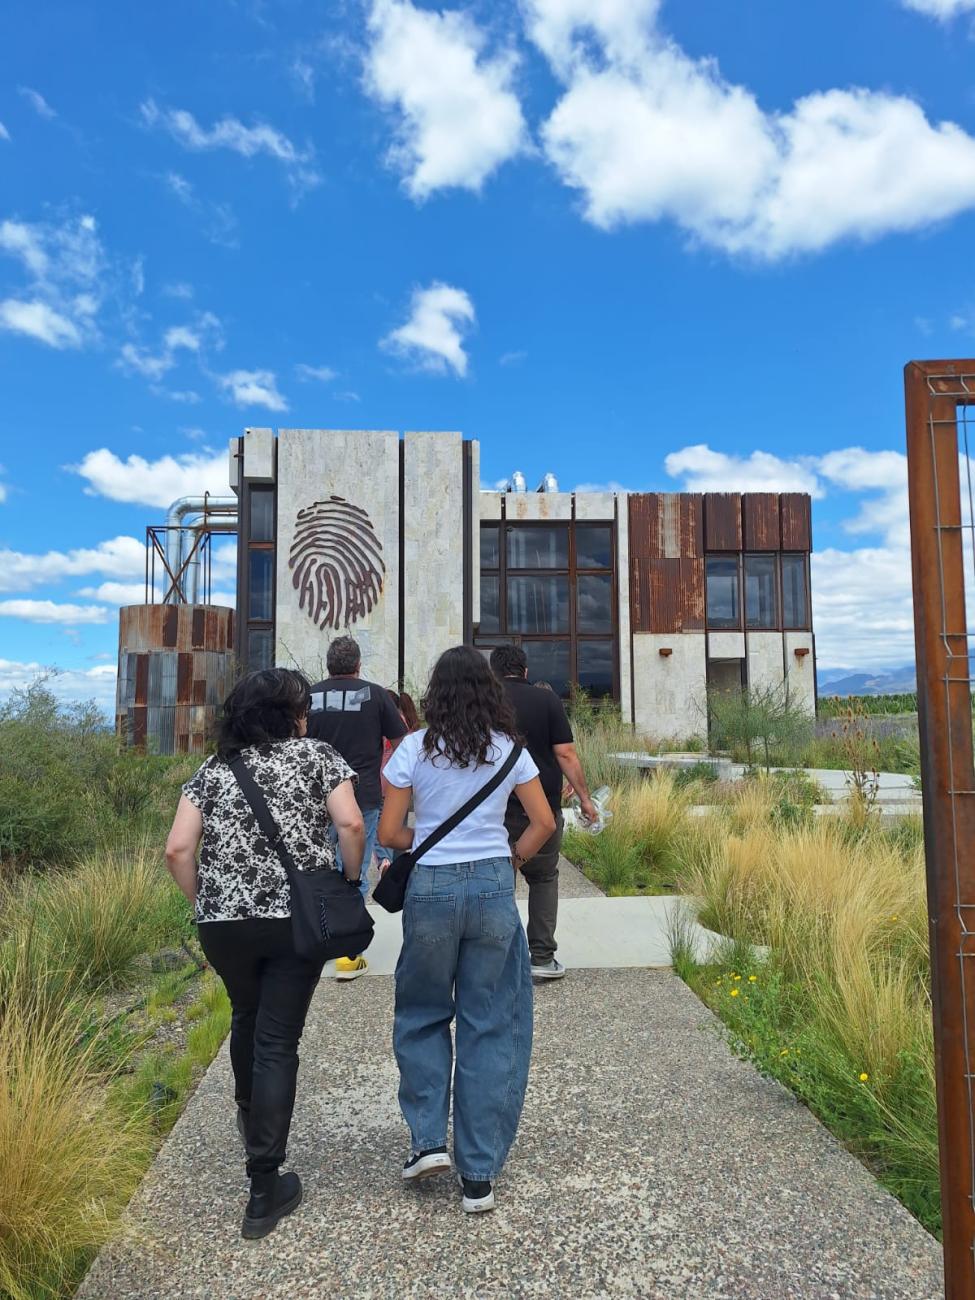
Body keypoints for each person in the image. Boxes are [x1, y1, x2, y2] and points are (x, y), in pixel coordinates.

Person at [164, 668, 365, 1239]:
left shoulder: (213, 769)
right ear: (290, 714)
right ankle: (264, 1185)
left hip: (223, 925)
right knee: (277, 1041)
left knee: (246, 1018)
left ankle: (252, 1132)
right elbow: (351, 823)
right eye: (303, 708)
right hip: (292, 921)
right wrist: (349, 882)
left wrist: (206, 903)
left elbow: (178, 849)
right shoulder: (316, 756)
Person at [378, 645, 555, 1214]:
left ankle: (429, 1142)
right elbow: (544, 821)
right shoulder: (510, 751)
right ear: (490, 691)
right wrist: (511, 858)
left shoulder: (414, 748)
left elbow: (389, 833)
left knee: (422, 1013)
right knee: (490, 1023)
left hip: (430, 887)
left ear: (437, 692)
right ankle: (478, 1175)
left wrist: (430, 838)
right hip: (492, 888)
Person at [489, 644, 598, 981]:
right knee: (544, 878)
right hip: (543, 810)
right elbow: (565, 754)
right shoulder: (547, 700)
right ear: (525, 670)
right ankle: (541, 957)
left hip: (495, 811)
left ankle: (496, 957)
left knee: (497, 880)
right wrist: (585, 798)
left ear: (494, 672)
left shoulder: (485, 701)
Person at [307, 636, 407, 981]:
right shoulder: (376, 695)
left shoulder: (309, 696)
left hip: (315, 798)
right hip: (361, 796)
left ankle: (316, 942)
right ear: (358, 665)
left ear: (328, 665)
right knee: (354, 872)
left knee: (315, 870)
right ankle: (348, 955)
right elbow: (402, 744)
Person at [375, 689, 421, 875]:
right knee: (399, 825)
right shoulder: (404, 723)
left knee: (382, 827)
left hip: (382, 779)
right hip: (402, 782)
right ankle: (398, 868)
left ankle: (384, 862)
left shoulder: (382, 720)